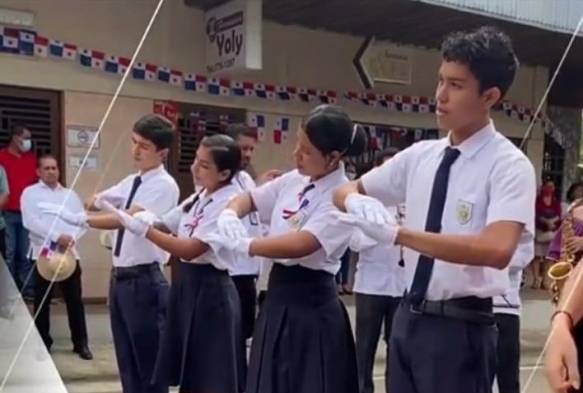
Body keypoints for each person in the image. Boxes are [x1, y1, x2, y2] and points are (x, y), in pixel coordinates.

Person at [333, 26, 536, 393]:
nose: (440, 96)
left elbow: (496, 249)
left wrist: (399, 235)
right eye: (441, 81)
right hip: (408, 316)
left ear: (489, 95)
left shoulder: (509, 165)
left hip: (461, 326)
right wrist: (354, 200)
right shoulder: (420, 156)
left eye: (456, 86)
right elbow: (345, 189)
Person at [217, 104, 366, 393]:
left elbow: (303, 244)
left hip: (312, 305)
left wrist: (249, 245)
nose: (296, 155)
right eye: (297, 144)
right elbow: (250, 198)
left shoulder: (342, 196)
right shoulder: (295, 180)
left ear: (334, 158)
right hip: (277, 297)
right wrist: (229, 213)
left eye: (307, 151)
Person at [43, 114, 179, 393]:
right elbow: (96, 200)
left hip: (145, 280)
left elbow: (124, 219)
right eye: (133, 142)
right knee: (127, 362)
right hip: (121, 278)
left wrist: (82, 219)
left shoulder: (164, 185)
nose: (135, 150)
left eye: (144, 146)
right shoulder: (133, 180)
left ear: (162, 153)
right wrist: (96, 201)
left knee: (148, 364)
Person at [103, 134, 247, 393]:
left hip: (211, 290)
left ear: (225, 173)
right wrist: (139, 218)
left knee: (211, 372)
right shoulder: (200, 195)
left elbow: (190, 249)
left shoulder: (229, 201)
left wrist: (144, 230)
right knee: (190, 368)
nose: (195, 169)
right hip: (187, 287)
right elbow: (166, 222)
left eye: (204, 166)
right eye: (196, 161)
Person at [21, 155, 92, 360]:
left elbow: (82, 222)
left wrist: (71, 238)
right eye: (47, 168)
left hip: (69, 255)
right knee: (42, 301)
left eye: (54, 168)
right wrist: (56, 237)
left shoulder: (70, 195)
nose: (51, 171)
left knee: (75, 300)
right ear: (39, 172)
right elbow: (30, 221)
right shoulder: (30, 193)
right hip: (43, 253)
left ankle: (81, 343)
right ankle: (43, 344)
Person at [350, 147, 406, 393]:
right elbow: (354, 242)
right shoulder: (365, 203)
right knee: (365, 347)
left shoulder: (410, 201)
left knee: (398, 346)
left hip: (402, 285)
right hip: (371, 285)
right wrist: (383, 232)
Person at [0, 123, 38, 299]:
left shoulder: (31, 159)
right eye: (25, 137)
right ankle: (8, 291)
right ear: (15, 138)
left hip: (27, 213)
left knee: (25, 253)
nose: (28, 141)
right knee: (9, 252)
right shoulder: (1, 157)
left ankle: (27, 290)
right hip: (6, 213)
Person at [492, 242, 533, 393]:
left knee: (507, 375)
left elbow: (522, 257)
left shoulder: (517, 222)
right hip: (469, 305)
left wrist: (480, 256)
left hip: (505, 308)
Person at [532, 181, 561, 289]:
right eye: (548, 186)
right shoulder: (537, 201)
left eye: (552, 186)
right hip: (539, 230)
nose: (550, 188)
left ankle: (545, 280)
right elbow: (535, 213)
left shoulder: (555, 201)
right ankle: (536, 280)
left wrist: (552, 223)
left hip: (552, 231)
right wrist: (544, 221)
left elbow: (559, 214)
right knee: (537, 256)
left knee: (548, 257)